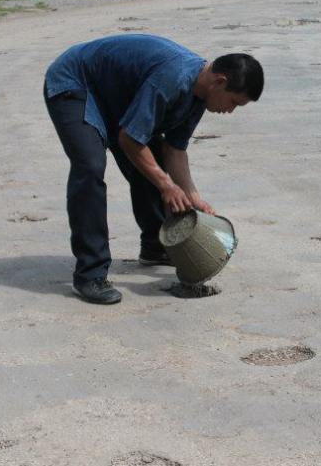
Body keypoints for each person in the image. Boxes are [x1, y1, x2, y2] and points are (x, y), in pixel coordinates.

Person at [44, 34, 264, 304]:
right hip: (76, 83)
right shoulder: (172, 79)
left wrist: (193, 197)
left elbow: (175, 150)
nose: (231, 111)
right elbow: (129, 139)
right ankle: (90, 273)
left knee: (154, 163)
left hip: (117, 97)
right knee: (90, 166)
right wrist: (166, 184)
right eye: (234, 103)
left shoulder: (199, 95)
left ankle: (154, 245)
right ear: (220, 82)